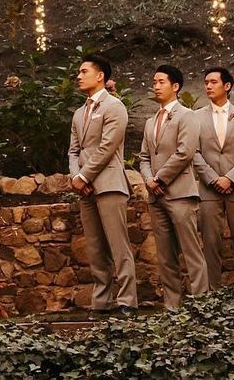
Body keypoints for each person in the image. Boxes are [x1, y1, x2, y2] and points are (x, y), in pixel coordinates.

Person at [67, 53, 137, 313]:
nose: (78, 76)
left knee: (118, 245)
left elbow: (108, 147)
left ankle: (127, 300)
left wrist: (84, 176)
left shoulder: (115, 106)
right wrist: (76, 177)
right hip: (84, 188)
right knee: (95, 247)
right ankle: (102, 300)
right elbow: (73, 151)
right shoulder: (78, 113)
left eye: (84, 71)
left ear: (100, 76)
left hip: (108, 184)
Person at [139, 64, 208, 307]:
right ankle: (172, 306)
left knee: (191, 253)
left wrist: (160, 179)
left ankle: (202, 304)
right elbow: (144, 157)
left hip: (180, 194)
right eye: (154, 82)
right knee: (165, 255)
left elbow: (185, 152)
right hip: (155, 197)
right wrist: (148, 179)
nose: (155, 86)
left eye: (161, 82)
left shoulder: (187, 115)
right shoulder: (150, 121)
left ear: (175, 86)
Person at [193, 66, 234, 288]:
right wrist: (213, 178)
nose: (208, 86)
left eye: (213, 82)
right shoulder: (195, 117)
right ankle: (212, 296)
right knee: (210, 244)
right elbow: (193, 152)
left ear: (227, 86)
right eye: (206, 82)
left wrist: (230, 178)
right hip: (209, 191)